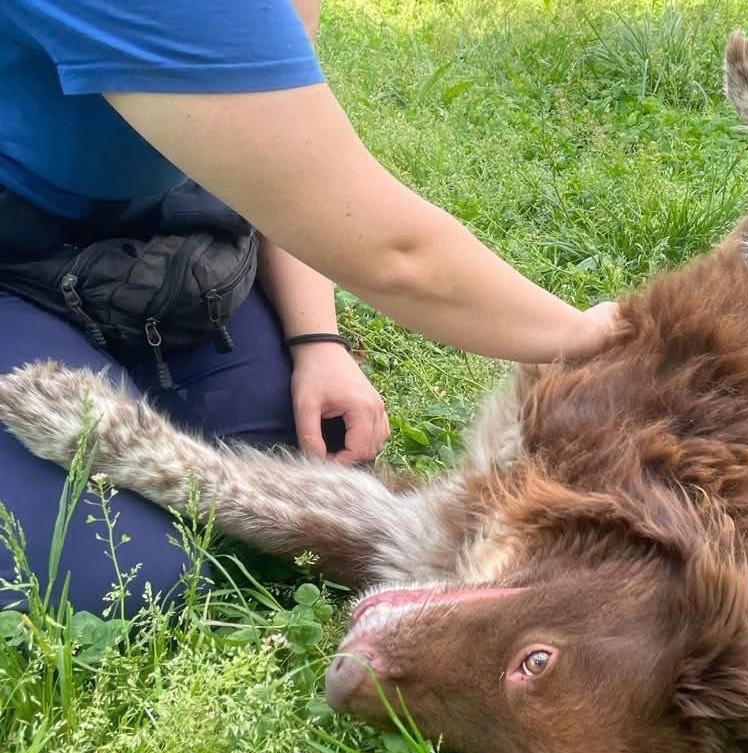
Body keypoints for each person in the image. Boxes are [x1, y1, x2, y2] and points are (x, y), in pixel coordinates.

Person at [0, 0, 619, 615]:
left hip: (153, 241)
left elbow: (278, 153)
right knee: (117, 580)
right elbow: (396, 254)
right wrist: (592, 335)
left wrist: (317, 343)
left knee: (303, 455)